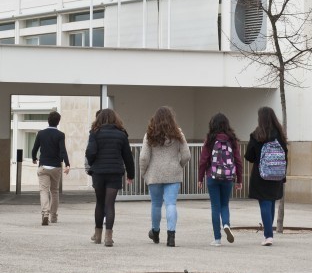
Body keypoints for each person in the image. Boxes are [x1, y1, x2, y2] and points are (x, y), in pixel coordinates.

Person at [139, 106, 191, 247]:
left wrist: (144, 172)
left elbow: (144, 157)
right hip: (173, 173)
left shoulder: (149, 134)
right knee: (171, 204)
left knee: (156, 204)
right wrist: (179, 165)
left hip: (154, 174)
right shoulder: (178, 134)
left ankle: (155, 233)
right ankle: (171, 237)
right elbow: (187, 155)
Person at [85, 108, 134, 247]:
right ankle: (108, 237)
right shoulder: (121, 134)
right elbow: (128, 157)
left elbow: (90, 152)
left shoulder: (94, 133)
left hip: (99, 173)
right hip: (115, 172)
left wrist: (92, 164)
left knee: (99, 203)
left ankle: (98, 235)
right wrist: (131, 174)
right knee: (110, 204)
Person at [244, 106, 288, 246]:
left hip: (261, 174)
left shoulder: (257, 135)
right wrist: (283, 174)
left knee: (264, 202)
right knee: (271, 202)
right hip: (277, 175)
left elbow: (249, 156)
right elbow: (285, 155)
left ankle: (268, 235)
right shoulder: (280, 135)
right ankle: (270, 233)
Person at [197, 113, 243, 246]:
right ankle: (227, 225)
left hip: (212, 176)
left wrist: (200, 178)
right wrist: (239, 180)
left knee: (215, 206)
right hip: (228, 177)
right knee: (224, 205)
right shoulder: (232, 139)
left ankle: (217, 239)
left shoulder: (210, 139)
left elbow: (203, 160)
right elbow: (238, 161)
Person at [31, 111, 71, 226]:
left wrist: (34, 158)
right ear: (58, 122)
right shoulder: (60, 135)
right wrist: (67, 164)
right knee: (54, 192)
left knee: (44, 191)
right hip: (56, 167)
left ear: (48, 120)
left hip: (43, 166)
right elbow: (63, 151)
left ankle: (45, 214)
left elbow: (34, 149)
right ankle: (53, 216)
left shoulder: (41, 134)